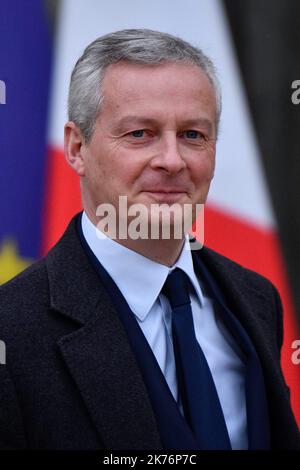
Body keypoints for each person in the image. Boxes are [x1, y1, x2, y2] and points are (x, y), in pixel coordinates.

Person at [0, 29, 299, 450]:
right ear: (76, 147)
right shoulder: (11, 332)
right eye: (140, 133)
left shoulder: (256, 299)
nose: (172, 161)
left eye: (193, 134)